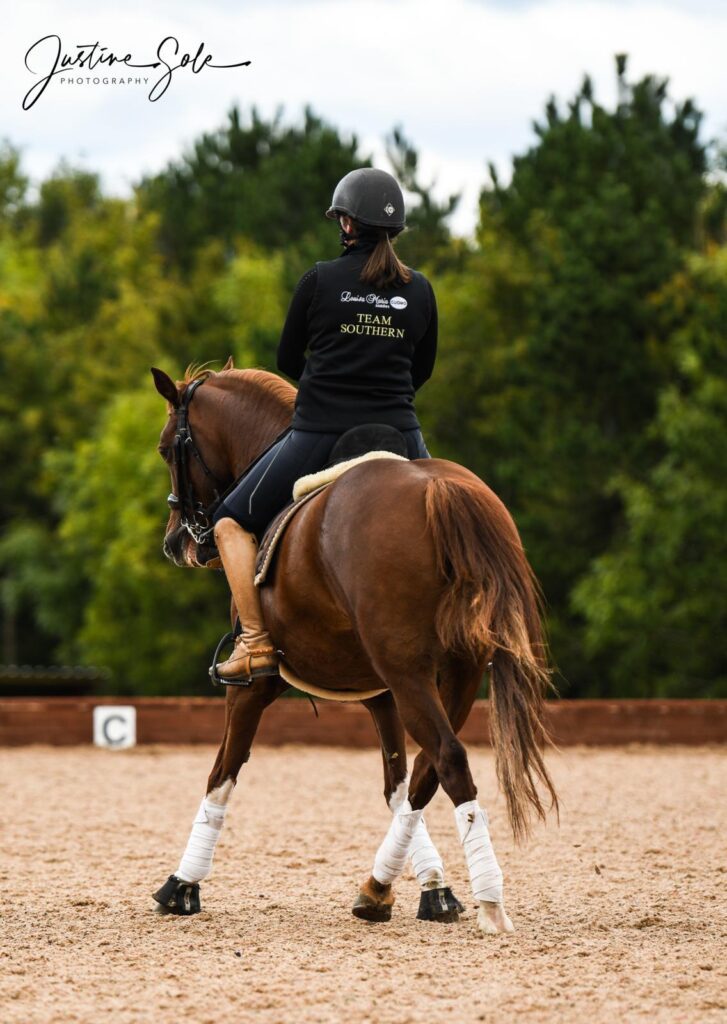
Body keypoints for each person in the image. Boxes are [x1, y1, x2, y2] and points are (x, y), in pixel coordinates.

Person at [212, 167, 438, 681]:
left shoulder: (319, 280)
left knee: (229, 522)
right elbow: (421, 370)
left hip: (320, 433)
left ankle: (254, 643)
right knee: (448, 524)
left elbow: (288, 359)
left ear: (346, 226)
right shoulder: (420, 290)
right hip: (401, 433)